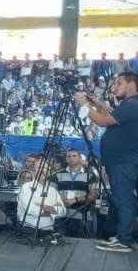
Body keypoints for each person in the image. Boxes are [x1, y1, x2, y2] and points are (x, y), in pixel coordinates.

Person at [75, 71, 138, 252]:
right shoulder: (129, 105)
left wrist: (85, 104)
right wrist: (99, 104)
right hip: (123, 161)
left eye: (119, 83)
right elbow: (112, 115)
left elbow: (103, 121)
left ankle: (124, 240)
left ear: (131, 84)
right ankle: (122, 235)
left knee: (124, 200)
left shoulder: (132, 104)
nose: (114, 86)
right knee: (125, 199)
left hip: (123, 162)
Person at [50, 148, 100, 237]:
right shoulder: (56, 175)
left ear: (80, 158)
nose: (71, 158)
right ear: (66, 159)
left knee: (82, 245)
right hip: (61, 215)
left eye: (74, 156)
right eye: (68, 156)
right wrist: (61, 201)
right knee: (59, 242)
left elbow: (95, 194)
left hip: (82, 216)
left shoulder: (90, 175)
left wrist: (76, 199)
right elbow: (50, 193)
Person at [16, 163, 66, 233]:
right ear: (33, 172)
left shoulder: (53, 190)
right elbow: (30, 210)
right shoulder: (26, 187)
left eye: (45, 168)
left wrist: (41, 205)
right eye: (39, 168)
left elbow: (63, 211)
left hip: (49, 232)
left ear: (49, 172)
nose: (42, 170)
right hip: (28, 231)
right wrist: (52, 210)